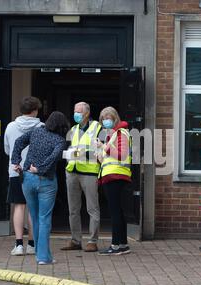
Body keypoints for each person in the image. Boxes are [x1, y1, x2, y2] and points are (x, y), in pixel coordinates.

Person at [11, 111, 69, 265]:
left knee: (35, 217)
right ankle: (43, 257)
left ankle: (42, 253)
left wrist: (16, 161)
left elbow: (18, 142)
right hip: (46, 181)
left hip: (27, 179)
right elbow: (53, 157)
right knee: (44, 219)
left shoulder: (36, 131)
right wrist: (42, 169)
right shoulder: (60, 140)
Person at [4, 96, 44, 256]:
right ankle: (32, 245)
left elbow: (7, 149)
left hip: (16, 171)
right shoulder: (41, 127)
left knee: (19, 207)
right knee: (33, 208)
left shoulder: (11, 126)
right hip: (34, 171)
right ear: (35, 110)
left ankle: (19, 245)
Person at [61, 102, 102, 252]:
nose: (76, 114)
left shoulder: (98, 128)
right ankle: (75, 240)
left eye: (79, 112)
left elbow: (102, 151)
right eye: (74, 111)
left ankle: (93, 241)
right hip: (72, 171)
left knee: (92, 208)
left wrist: (79, 154)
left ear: (87, 113)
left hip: (89, 172)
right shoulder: (73, 130)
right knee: (73, 209)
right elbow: (67, 149)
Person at [96, 107, 132, 256]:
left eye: (108, 117)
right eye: (103, 118)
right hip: (114, 175)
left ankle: (115, 245)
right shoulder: (113, 134)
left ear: (115, 118)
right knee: (118, 211)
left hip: (115, 176)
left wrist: (103, 147)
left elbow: (121, 154)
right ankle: (123, 244)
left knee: (115, 212)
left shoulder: (120, 132)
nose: (105, 120)